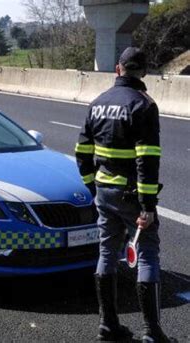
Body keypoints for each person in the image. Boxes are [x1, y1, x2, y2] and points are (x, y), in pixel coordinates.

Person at [75, 47, 173, 342]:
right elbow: (147, 158)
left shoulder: (98, 103)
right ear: (143, 71)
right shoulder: (143, 104)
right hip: (132, 195)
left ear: (118, 69)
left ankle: (108, 325)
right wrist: (147, 206)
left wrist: (94, 187)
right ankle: (152, 332)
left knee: (107, 254)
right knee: (147, 256)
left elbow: (81, 152)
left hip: (104, 192)